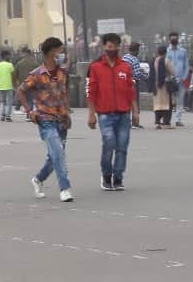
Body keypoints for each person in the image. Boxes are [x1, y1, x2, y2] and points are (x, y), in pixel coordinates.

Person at [19, 38, 74, 203]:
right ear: (51, 52)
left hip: (61, 119)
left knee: (55, 156)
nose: (62, 55)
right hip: (45, 118)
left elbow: (65, 92)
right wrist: (30, 111)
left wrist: (67, 112)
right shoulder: (36, 75)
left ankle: (38, 179)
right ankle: (65, 188)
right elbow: (21, 91)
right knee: (57, 152)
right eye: (60, 51)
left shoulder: (63, 73)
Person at [86, 32, 139, 191]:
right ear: (104, 47)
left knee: (122, 147)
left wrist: (135, 110)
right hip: (105, 114)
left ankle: (118, 177)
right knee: (109, 142)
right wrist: (91, 114)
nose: (113, 49)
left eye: (116, 47)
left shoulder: (125, 67)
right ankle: (106, 174)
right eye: (110, 47)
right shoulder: (95, 67)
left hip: (124, 113)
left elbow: (131, 90)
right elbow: (91, 91)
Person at [166, 32, 191, 126]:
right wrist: (168, 77)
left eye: (175, 39)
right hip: (169, 80)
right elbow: (164, 64)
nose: (174, 40)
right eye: (172, 39)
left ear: (178, 39)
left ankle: (178, 120)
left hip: (181, 80)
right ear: (169, 40)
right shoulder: (167, 51)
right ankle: (167, 119)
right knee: (169, 100)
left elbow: (186, 66)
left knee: (180, 100)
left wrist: (184, 77)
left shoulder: (183, 51)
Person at [152, 45, 176, 130]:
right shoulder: (166, 60)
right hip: (165, 85)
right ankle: (166, 123)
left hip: (156, 85)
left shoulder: (155, 60)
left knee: (157, 105)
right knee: (167, 104)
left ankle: (157, 123)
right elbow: (172, 72)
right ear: (165, 52)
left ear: (158, 52)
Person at [0, 50, 16, 121]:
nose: (10, 57)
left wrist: (0, 80)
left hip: (1, 85)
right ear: (6, 56)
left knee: (2, 101)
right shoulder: (10, 65)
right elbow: (13, 75)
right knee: (9, 102)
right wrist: (14, 84)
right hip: (9, 85)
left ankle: (2, 115)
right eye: (9, 55)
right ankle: (8, 116)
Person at [14, 47, 37, 114]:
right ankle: (29, 115)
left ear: (25, 53)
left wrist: (15, 83)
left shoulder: (19, 63)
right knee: (30, 99)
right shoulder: (35, 63)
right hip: (32, 83)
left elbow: (15, 74)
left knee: (23, 98)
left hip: (22, 83)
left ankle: (24, 110)